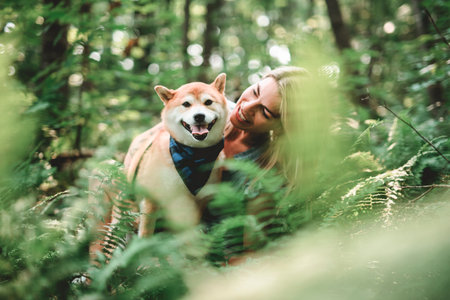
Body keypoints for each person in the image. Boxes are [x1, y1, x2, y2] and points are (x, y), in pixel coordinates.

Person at [204, 66, 309, 263]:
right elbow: (148, 144)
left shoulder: (264, 175)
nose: (247, 107)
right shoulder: (208, 108)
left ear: (283, 127)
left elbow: (247, 254)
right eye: (255, 91)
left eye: (266, 113)